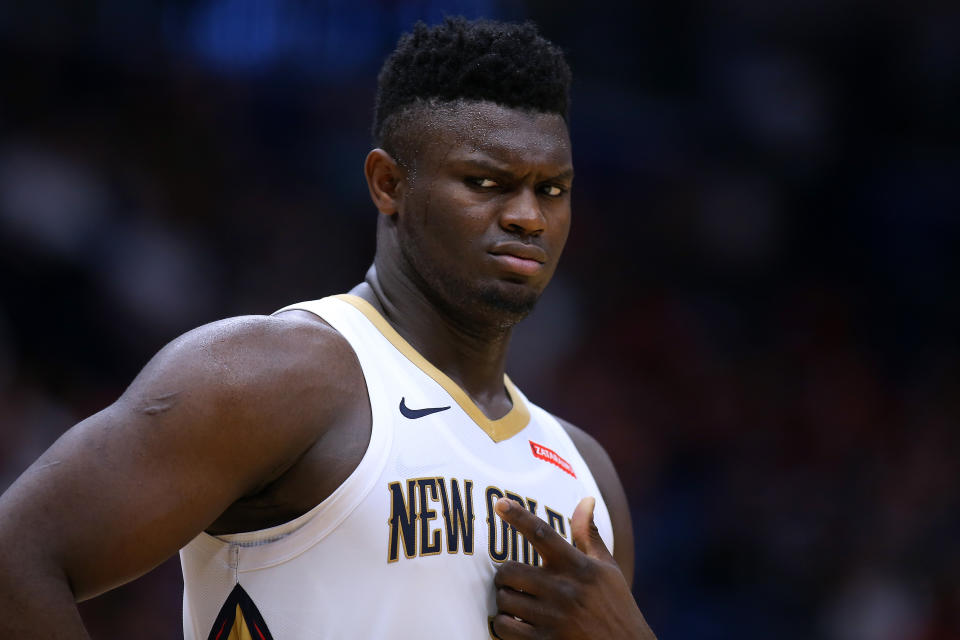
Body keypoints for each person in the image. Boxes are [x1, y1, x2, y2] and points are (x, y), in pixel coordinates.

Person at [0, 17, 656, 639]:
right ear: (388, 183)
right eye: (485, 181)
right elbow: (15, 558)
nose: (527, 217)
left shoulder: (584, 474)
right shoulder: (275, 373)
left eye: (551, 189)